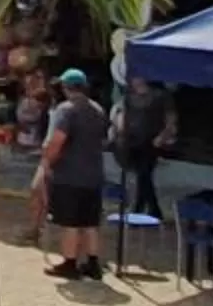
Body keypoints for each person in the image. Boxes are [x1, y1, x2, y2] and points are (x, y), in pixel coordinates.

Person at [36, 67, 111, 280]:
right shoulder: (98, 110)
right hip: (94, 175)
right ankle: (93, 263)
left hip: (69, 175)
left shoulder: (65, 110)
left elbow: (57, 140)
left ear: (65, 88)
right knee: (90, 222)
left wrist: (47, 163)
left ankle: (69, 263)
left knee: (70, 222)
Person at [116, 76, 175, 219]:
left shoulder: (160, 95)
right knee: (142, 175)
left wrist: (164, 135)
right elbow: (123, 114)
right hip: (132, 139)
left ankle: (149, 209)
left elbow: (171, 118)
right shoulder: (129, 96)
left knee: (144, 173)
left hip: (151, 140)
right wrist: (121, 131)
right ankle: (143, 207)